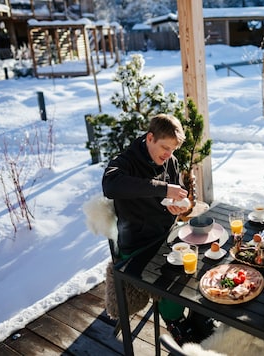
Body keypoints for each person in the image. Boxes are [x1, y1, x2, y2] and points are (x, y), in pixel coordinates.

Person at [102, 113, 213, 344]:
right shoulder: (125, 161)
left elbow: (178, 195)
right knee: (171, 275)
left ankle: (198, 315)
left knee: (205, 259)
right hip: (138, 247)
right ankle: (176, 323)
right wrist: (163, 189)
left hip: (169, 236)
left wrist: (177, 207)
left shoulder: (169, 161)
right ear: (150, 137)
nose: (169, 154)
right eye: (165, 147)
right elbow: (110, 185)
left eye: (172, 149)